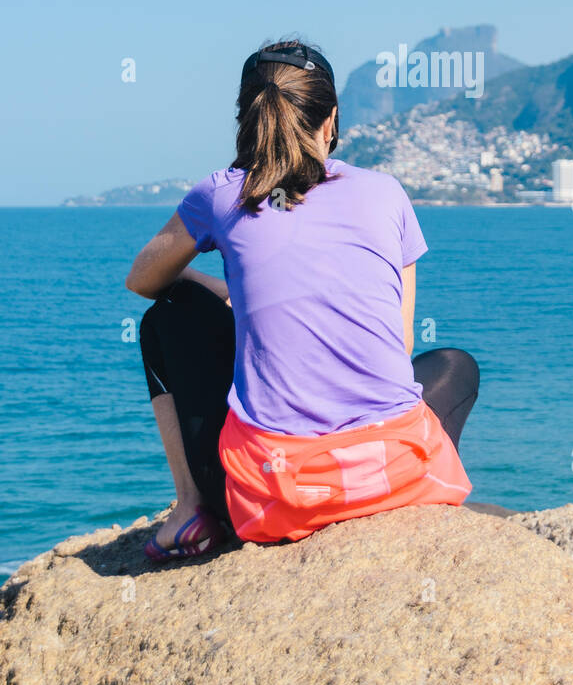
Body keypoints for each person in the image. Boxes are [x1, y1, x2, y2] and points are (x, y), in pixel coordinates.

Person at [126, 40, 479, 561]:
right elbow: (399, 347)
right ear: (331, 119)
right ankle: (388, 484)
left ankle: (190, 510)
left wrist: (213, 287)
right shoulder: (387, 192)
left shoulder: (222, 194)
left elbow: (144, 279)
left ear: (247, 117)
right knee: (455, 365)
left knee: (166, 315)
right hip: (398, 476)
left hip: (277, 499)